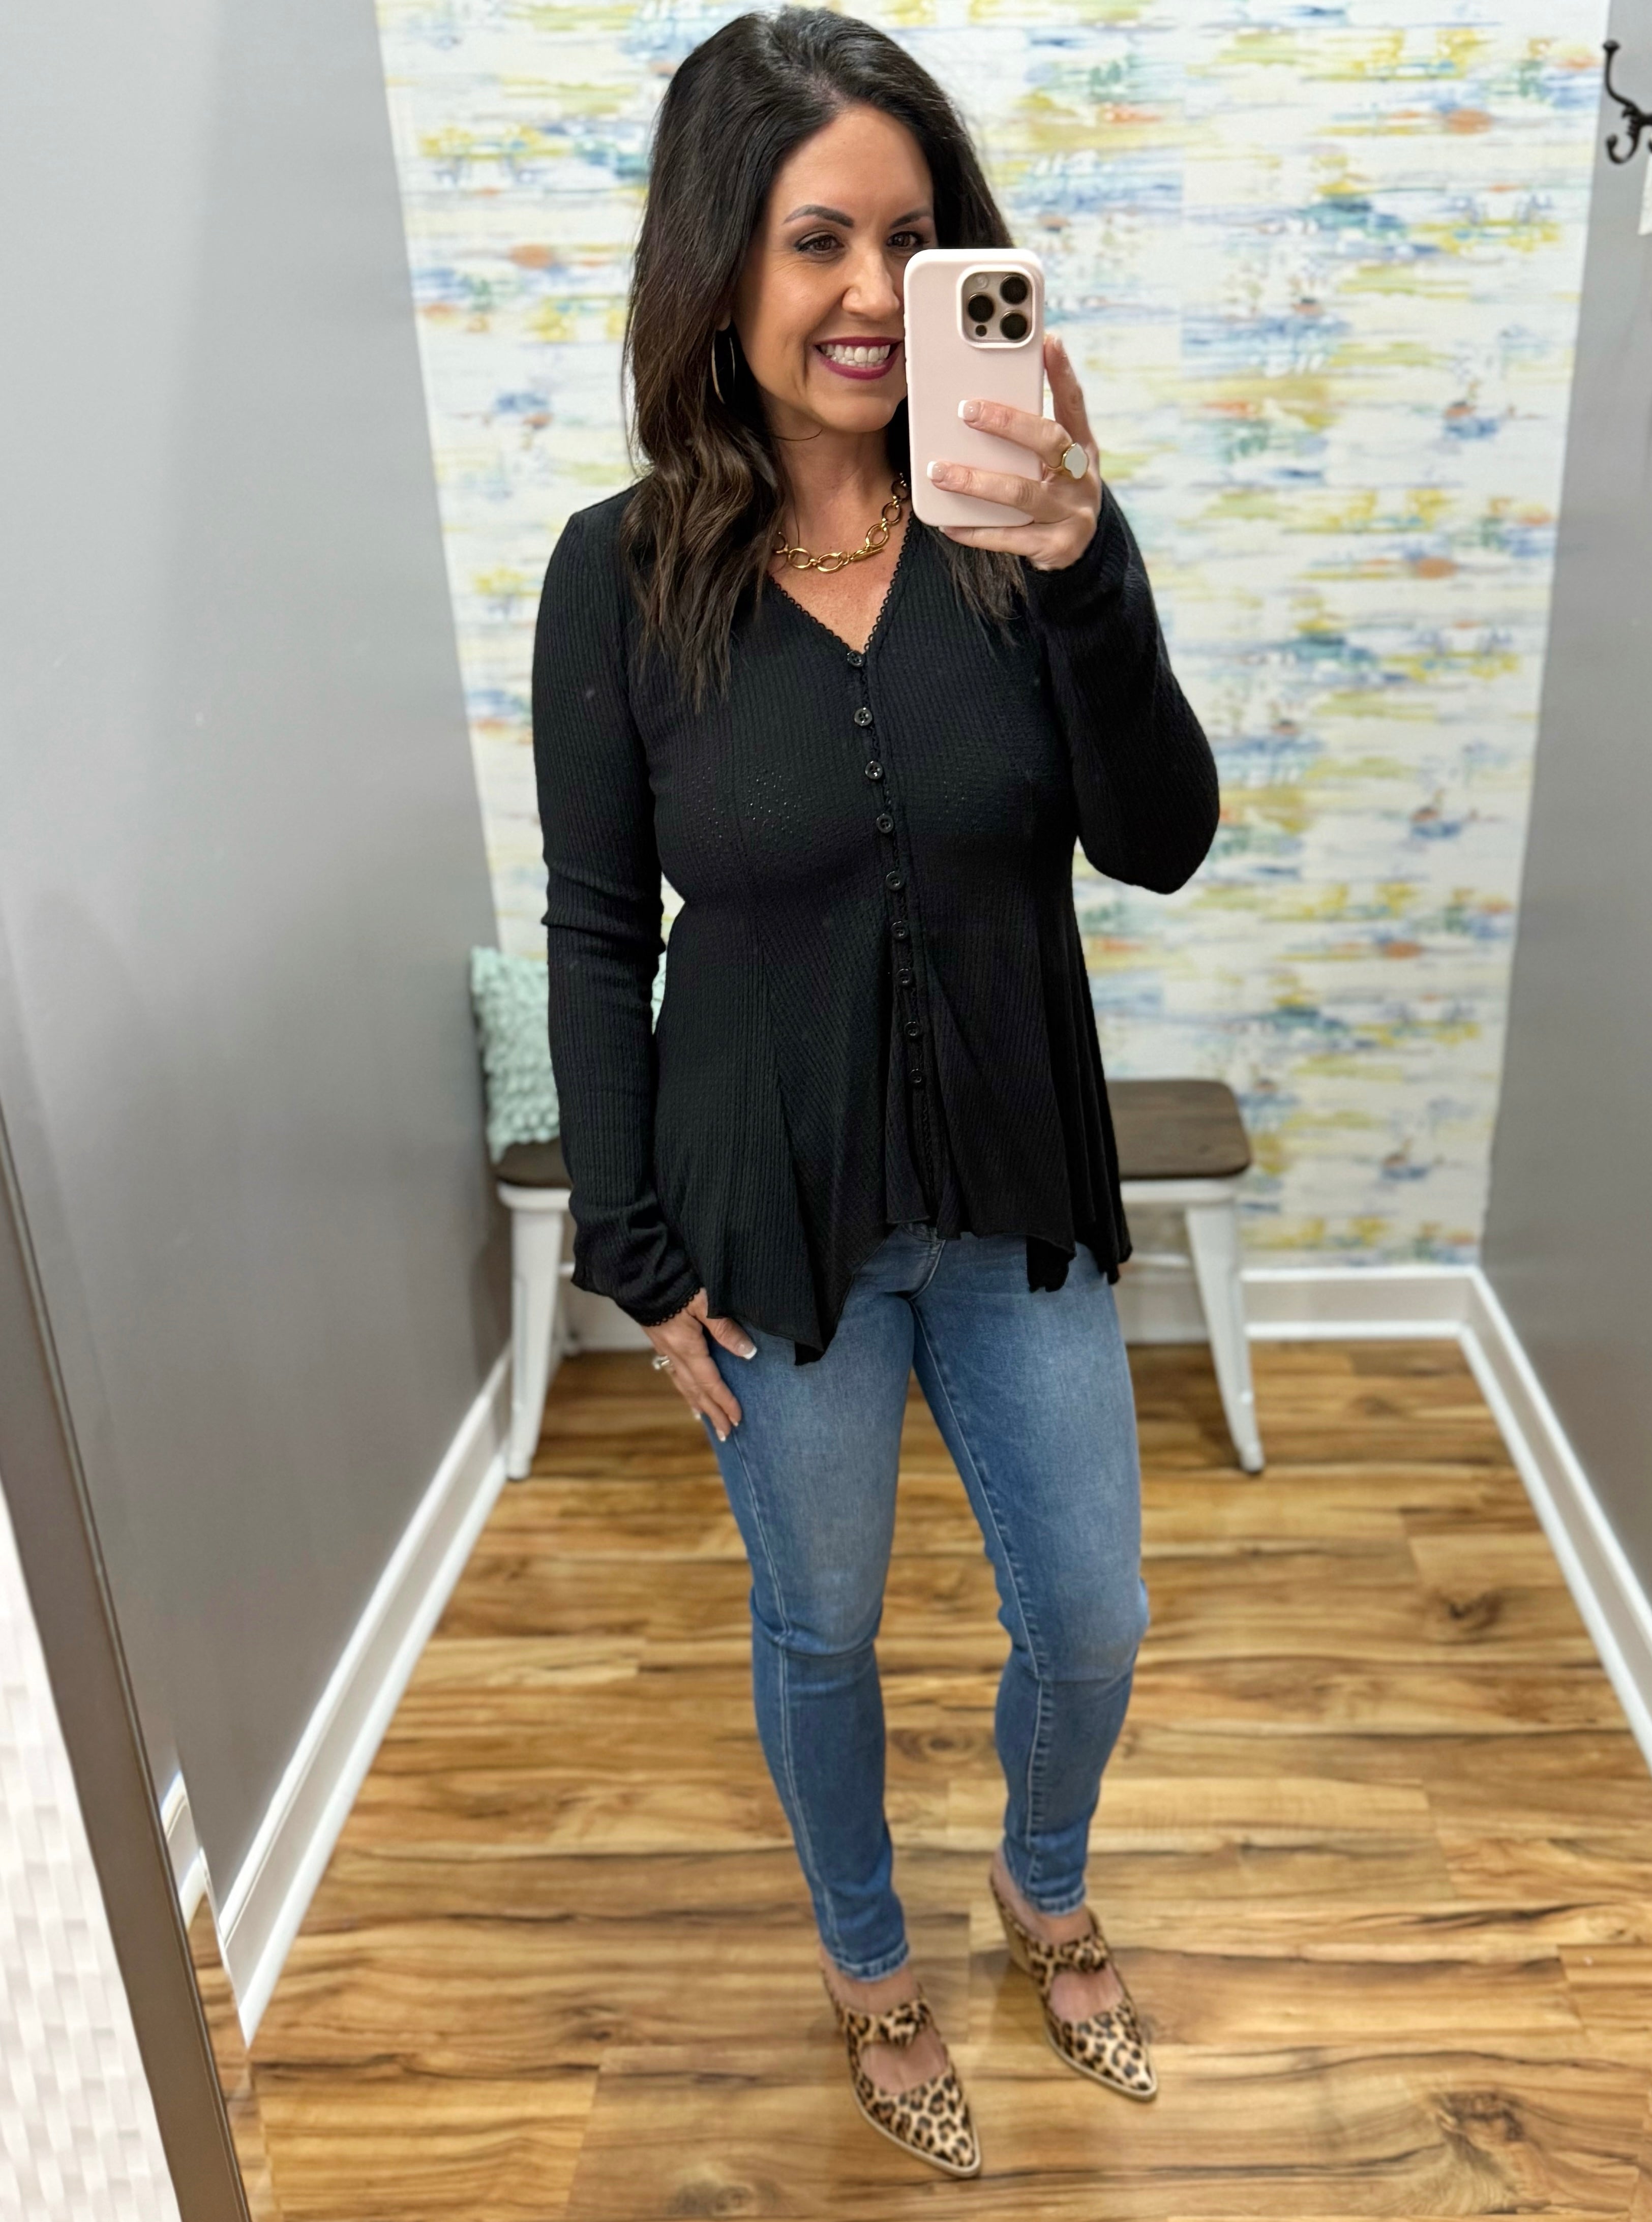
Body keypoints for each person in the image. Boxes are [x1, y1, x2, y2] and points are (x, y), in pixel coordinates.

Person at [531, 6, 1219, 2179]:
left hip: (1014, 1202)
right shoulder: (617, 580)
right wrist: (635, 1262)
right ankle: (863, 1955)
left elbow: (1161, 837)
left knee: (1091, 1616)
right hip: (775, 1235)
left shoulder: (1022, 542)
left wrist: (1083, 564)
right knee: (819, 1622)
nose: (860, 294)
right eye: (815, 238)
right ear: (716, 267)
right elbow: (589, 932)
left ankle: (1036, 1874)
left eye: (908, 244)